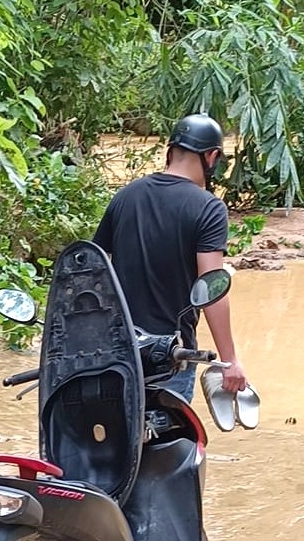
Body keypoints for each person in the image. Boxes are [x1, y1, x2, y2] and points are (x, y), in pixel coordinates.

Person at [93, 114, 248, 402]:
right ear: (211, 157)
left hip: (116, 350)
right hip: (171, 355)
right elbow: (211, 288)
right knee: (169, 441)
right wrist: (229, 361)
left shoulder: (126, 196)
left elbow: (93, 270)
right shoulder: (209, 209)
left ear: (170, 150)